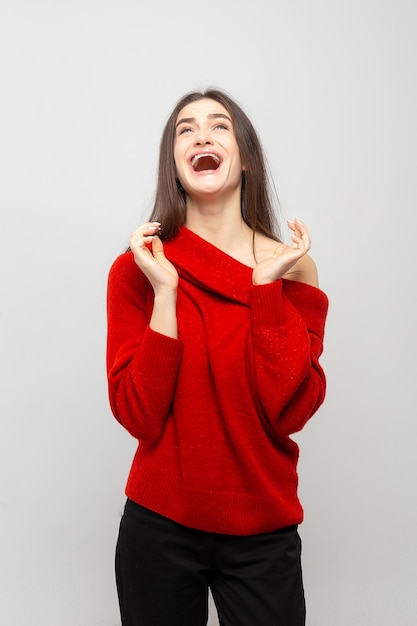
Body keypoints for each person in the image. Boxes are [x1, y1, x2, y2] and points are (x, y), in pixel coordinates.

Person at [106, 88, 329, 626]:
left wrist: (266, 290)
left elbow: (291, 410)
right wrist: (165, 293)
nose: (202, 134)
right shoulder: (137, 269)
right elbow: (138, 413)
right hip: (158, 525)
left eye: (219, 125)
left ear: (245, 155)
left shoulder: (292, 267)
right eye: (186, 129)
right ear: (174, 163)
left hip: (263, 528)